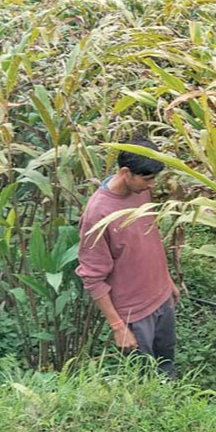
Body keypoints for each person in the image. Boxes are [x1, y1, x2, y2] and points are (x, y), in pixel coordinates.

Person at [77, 137, 181, 377]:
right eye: (147, 178)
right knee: (144, 376)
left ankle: (172, 397)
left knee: (166, 363)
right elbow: (92, 278)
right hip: (134, 312)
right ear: (126, 173)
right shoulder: (97, 214)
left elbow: (150, 239)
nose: (152, 185)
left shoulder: (141, 191)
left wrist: (167, 281)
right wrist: (118, 326)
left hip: (161, 298)